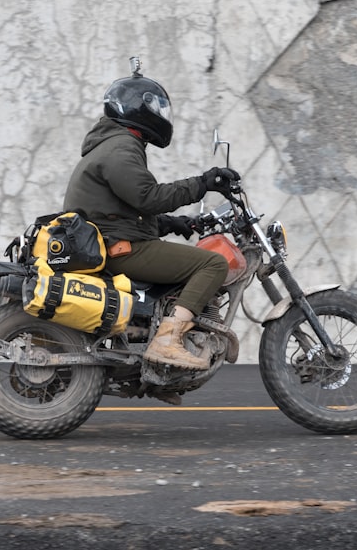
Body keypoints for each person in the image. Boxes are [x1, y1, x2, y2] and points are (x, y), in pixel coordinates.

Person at [62, 60, 240, 370]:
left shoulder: (113, 143)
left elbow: (123, 210)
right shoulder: (120, 147)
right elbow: (147, 197)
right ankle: (167, 342)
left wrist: (177, 224)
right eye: (156, 107)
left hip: (112, 240)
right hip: (116, 249)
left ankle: (156, 363)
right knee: (213, 263)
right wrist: (203, 183)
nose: (160, 114)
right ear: (138, 108)